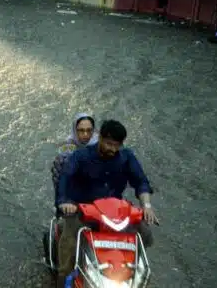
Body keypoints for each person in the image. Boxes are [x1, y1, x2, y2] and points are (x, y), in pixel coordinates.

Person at [55, 119, 159, 287]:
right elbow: (65, 179)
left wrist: (146, 206)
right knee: (69, 244)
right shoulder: (81, 156)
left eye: (116, 145)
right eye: (109, 144)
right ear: (100, 138)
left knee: (145, 234)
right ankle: (62, 280)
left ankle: (134, 271)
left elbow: (141, 182)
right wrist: (65, 202)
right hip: (83, 211)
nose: (112, 149)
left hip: (115, 212)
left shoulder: (126, 157)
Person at [51, 113, 98, 196]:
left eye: (89, 130)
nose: (85, 135)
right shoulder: (66, 151)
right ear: (75, 130)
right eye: (81, 130)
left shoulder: (102, 145)